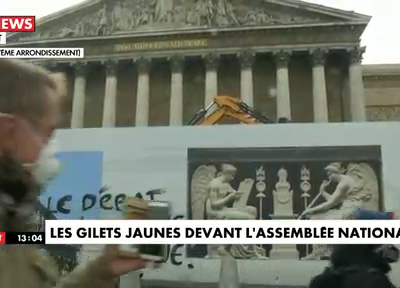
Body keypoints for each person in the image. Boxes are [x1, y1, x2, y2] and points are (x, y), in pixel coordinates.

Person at [0, 59, 158, 287]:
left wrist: (102, 270)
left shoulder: (10, 216)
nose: (51, 148)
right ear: (8, 131)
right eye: (47, 133)